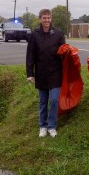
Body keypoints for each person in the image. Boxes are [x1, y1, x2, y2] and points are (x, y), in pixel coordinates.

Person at [26, 9, 65, 137]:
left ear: (51, 18)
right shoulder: (34, 34)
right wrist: (30, 73)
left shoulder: (59, 34)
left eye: (48, 18)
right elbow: (30, 55)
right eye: (44, 18)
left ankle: (51, 126)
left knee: (54, 100)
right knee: (43, 102)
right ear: (40, 19)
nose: (46, 20)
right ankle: (42, 126)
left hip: (55, 72)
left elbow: (64, 53)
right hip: (41, 73)